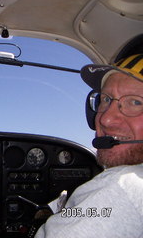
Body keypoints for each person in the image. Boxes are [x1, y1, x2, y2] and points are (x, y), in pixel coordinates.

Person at [35, 53, 143, 237]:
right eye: (106, 99)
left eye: (135, 102)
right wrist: (68, 212)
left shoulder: (123, 186)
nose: (106, 119)